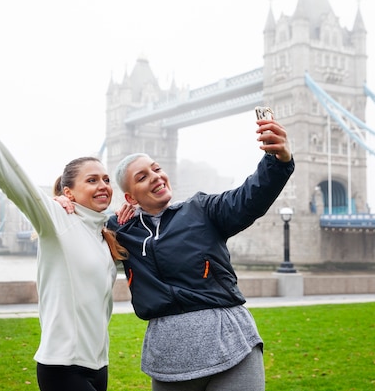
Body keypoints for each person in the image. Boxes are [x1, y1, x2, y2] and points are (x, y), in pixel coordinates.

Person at [0, 96, 127, 391]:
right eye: (91, 180)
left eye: (105, 179)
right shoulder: (57, 220)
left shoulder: (103, 236)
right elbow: (14, 179)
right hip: (63, 368)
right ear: (69, 192)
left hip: (98, 366)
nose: (102, 185)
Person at [107, 115, 294, 390]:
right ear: (130, 198)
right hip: (169, 357)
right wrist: (65, 201)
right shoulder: (122, 231)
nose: (156, 177)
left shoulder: (203, 209)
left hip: (231, 341)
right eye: (143, 177)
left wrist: (277, 161)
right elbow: (76, 227)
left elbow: (249, 197)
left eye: (157, 169)